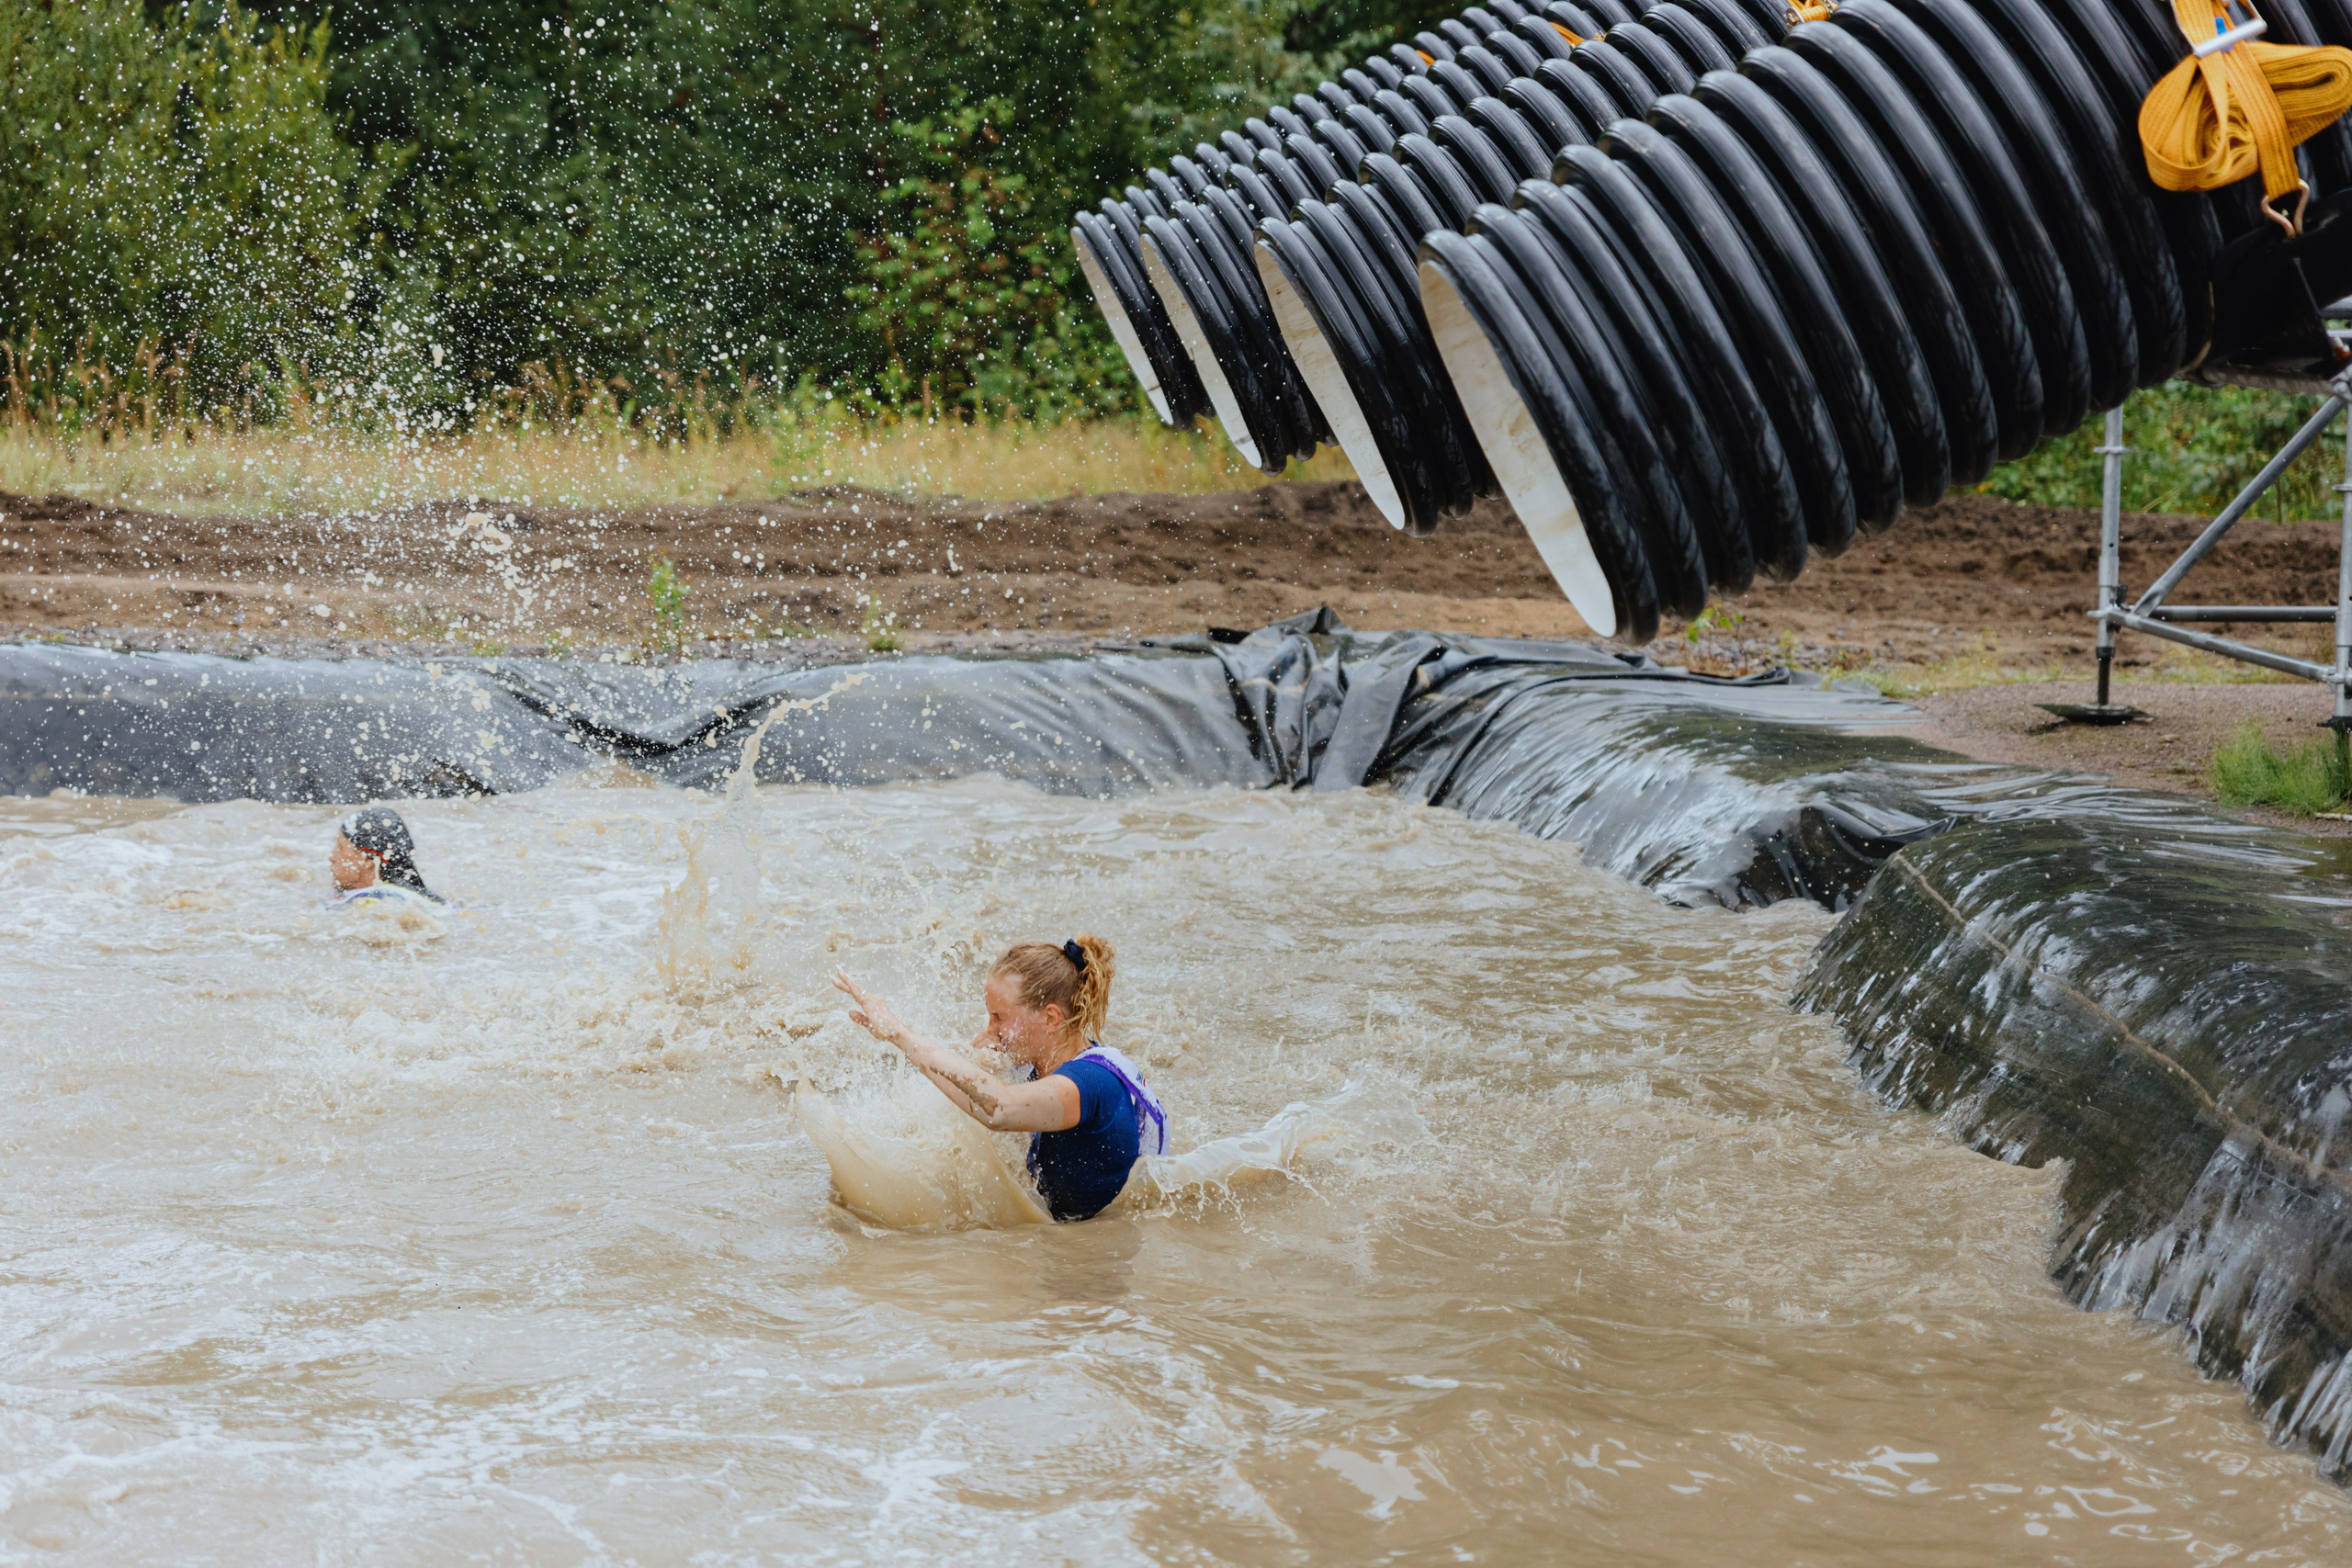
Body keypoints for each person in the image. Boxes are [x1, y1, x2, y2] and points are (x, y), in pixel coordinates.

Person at [832, 934, 1169, 1222]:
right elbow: (979, 1102)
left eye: (999, 1018)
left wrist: (900, 1033)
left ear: (1050, 1018)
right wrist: (910, 1049)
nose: (989, 1032)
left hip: (1099, 1252)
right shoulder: (1037, 1064)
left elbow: (999, 1110)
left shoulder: (1090, 1083)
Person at [327, 806, 446, 908]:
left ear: (368, 860)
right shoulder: (353, 892)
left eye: (341, 848)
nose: (332, 857)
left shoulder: (383, 905)